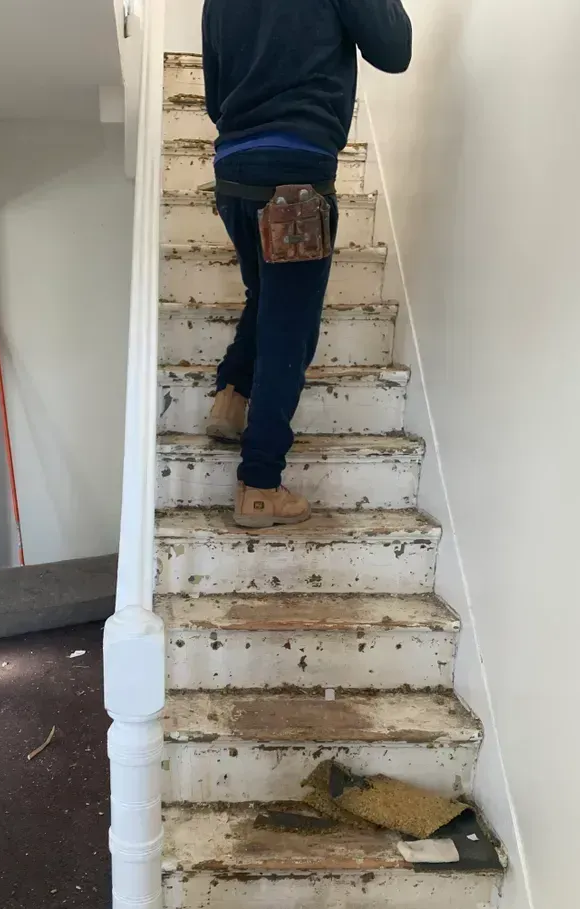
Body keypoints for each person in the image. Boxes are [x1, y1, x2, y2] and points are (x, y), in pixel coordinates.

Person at [202, 0, 412, 528]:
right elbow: (394, 50)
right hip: (296, 172)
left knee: (264, 295)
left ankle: (231, 397)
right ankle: (261, 485)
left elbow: (213, 93)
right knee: (289, 330)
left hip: (234, 169)